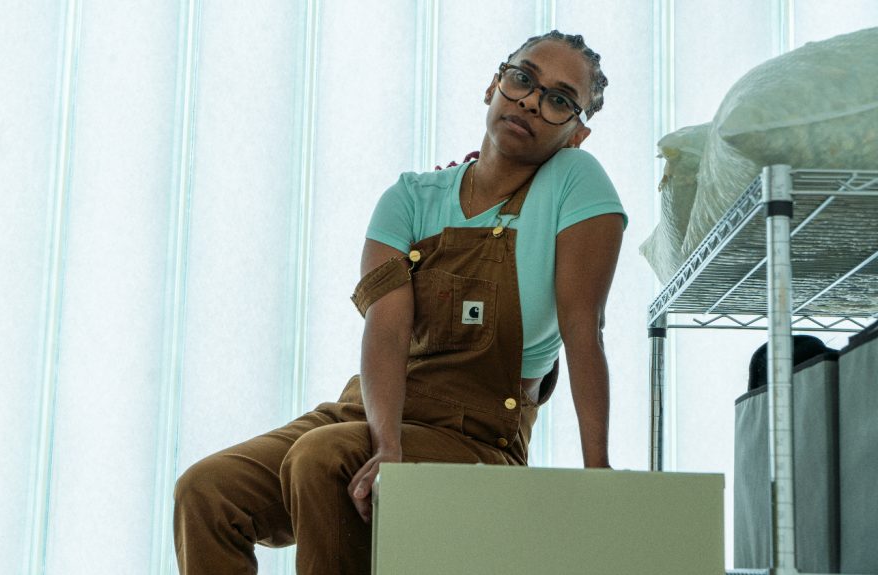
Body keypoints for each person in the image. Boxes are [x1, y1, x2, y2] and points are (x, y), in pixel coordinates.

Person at [174, 30, 627, 575]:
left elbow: (583, 328)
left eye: (559, 100)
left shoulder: (575, 183)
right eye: (523, 78)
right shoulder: (410, 197)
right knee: (206, 491)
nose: (531, 100)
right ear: (494, 84)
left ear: (577, 133)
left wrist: (598, 472)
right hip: (367, 411)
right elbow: (386, 331)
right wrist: (386, 443)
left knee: (323, 460)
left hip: (477, 434)